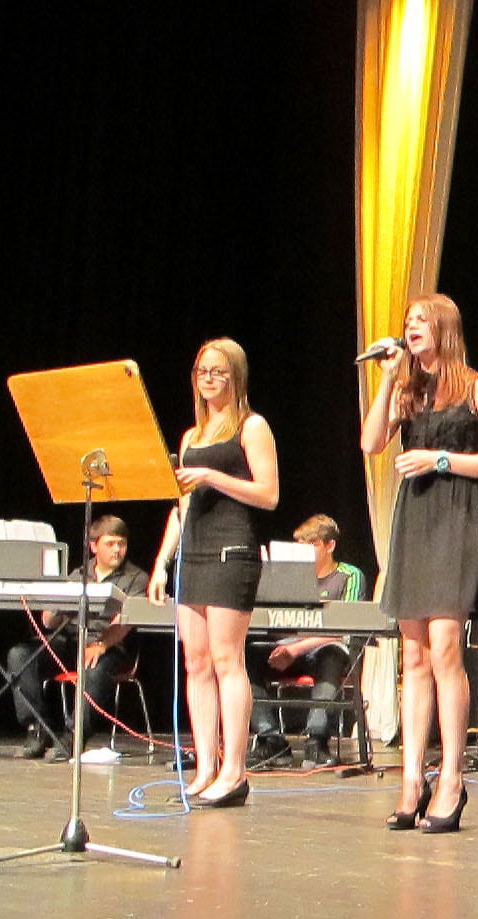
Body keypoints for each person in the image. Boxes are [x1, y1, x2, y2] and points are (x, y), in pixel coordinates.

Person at [361, 293, 478, 834]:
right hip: (415, 518)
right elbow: (370, 442)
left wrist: (442, 459)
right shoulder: (408, 389)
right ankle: (412, 778)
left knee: (446, 645)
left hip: (454, 515)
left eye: (420, 321)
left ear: (444, 328)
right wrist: (388, 379)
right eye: (407, 321)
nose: (410, 328)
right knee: (414, 653)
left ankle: (452, 776)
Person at [150, 337, 280, 808]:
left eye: (218, 371)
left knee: (227, 660)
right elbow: (181, 506)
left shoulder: (251, 426)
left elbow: (268, 494)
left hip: (232, 550)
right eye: (202, 370)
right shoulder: (190, 437)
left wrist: (212, 476)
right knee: (196, 662)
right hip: (194, 553)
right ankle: (205, 766)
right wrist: (163, 562)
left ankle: (234, 771)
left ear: (235, 376)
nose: (208, 378)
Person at [7, 515, 149, 761]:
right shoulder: (77, 574)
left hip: (111, 646)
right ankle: (37, 728)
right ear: (93, 546)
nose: (117, 549)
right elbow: (48, 623)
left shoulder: (137, 578)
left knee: (94, 668)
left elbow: (126, 621)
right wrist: (54, 605)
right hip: (71, 641)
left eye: (122, 544)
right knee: (20, 654)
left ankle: (74, 736)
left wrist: (101, 644)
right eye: (110, 544)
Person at [245, 515, 367, 769]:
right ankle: (271, 739)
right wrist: (285, 648)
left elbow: (345, 628)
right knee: (243, 656)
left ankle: (317, 741)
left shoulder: (349, 576)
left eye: (312, 544)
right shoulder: (288, 578)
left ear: (330, 546)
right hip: (286, 647)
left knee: (331, 656)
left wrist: (296, 649)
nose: (306, 551)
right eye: (301, 545)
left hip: (322, 648)